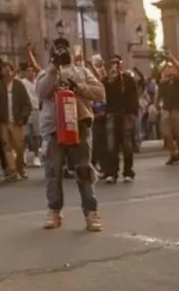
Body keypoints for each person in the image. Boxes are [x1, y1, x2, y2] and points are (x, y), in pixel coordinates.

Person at [36, 37, 105, 232]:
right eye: (57, 50)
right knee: (53, 171)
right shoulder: (45, 73)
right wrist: (53, 67)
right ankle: (54, 211)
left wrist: (78, 87)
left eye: (63, 49)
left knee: (83, 169)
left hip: (79, 125)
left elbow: (100, 92)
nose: (60, 52)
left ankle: (91, 212)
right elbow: (41, 92)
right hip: (54, 128)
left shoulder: (82, 71)